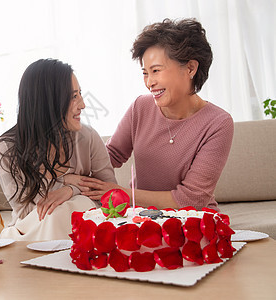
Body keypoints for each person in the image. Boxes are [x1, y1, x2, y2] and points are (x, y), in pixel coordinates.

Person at [80, 18, 234, 212]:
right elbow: (109, 156)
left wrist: (121, 193)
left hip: (193, 222)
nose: (149, 82)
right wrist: (66, 176)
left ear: (190, 68)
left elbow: (190, 199)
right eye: (145, 73)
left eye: (156, 71)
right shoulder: (140, 107)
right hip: (141, 218)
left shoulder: (218, 123)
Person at [0, 59, 117, 240]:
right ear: (48, 102)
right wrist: (67, 181)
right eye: (73, 96)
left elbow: (110, 197)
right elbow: (26, 212)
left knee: (74, 206)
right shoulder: (8, 148)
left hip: (82, 231)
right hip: (35, 230)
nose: (82, 105)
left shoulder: (88, 137)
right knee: (54, 213)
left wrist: (70, 189)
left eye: (80, 94)